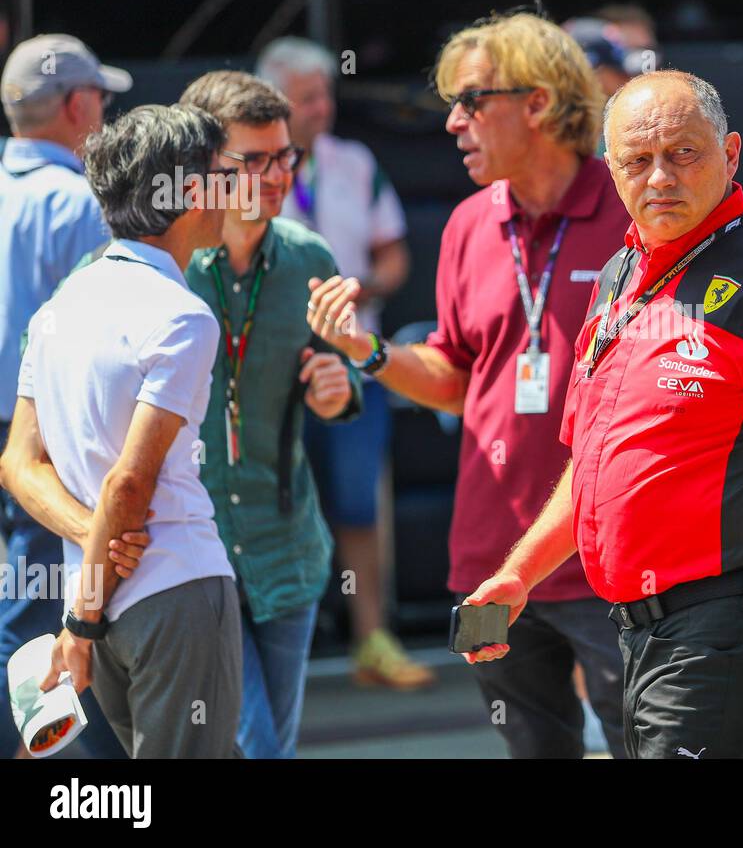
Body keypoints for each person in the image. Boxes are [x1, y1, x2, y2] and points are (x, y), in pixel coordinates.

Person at [394, 68, 743, 759]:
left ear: (732, 154)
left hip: (735, 628)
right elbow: (593, 466)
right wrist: (521, 572)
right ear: (611, 170)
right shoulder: (619, 277)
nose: (660, 177)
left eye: (684, 153)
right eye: (637, 160)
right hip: (639, 634)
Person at [306, 10, 631, 757]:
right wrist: (370, 352)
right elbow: (455, 377)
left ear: (540, 103)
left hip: (609, 559)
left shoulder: (631, 210)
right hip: (492, 559)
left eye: (472, 102)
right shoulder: (466, 225)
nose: (453, 123)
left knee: (645, 745)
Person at [0, 104, 241, 758]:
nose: (235, 191)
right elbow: (129, 482)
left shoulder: (56, 312)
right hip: (173, 594)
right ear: (191, 193)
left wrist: (86, 576)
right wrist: (81, 614)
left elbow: (19, 463)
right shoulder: (184, 317)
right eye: (226, 175)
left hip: (107, 608)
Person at [177, 70, 363, 757]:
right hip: (191, 558)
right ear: (201, 165)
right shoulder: (167, 265)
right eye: (252, 160)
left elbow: (341, 377)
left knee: (270, 747)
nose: (276, 175)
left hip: (287, 548)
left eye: (285, 155)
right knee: (250, 745)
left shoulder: (308, 257)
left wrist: (340, 390)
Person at [256, 37, 428, 690]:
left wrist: (364, 288)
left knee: (361, 502)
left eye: (327, 93)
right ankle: (275, 653)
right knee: (273, 503)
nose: (322, 107)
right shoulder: (246, 165)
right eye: (307, 97)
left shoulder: (355, 161)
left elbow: (394, 255)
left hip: (355, 359)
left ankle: (371, 641)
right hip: (273, 365)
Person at [0, 34, 133, 759]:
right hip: (43, 442)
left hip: (18, 440)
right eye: (103, 101)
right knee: (44, 612)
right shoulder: (79, 202)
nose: (106, 114)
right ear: (78, 104)